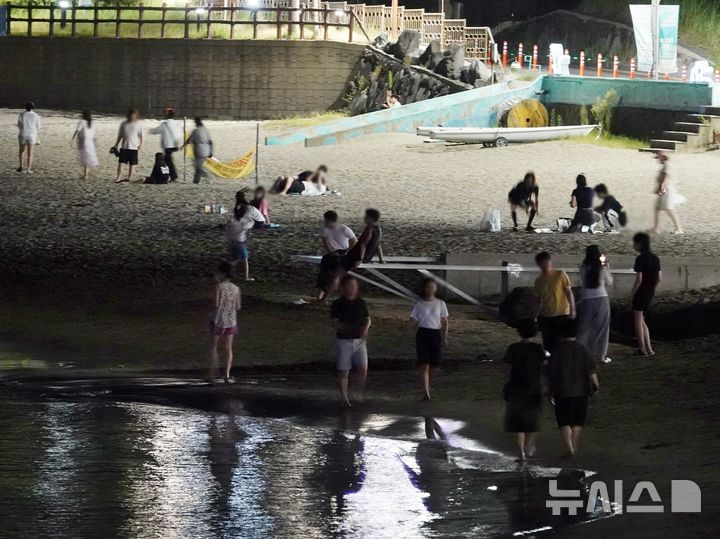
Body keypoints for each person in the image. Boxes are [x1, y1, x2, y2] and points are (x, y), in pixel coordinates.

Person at [547, 318, 599, 457]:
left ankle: (568, 448)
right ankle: (573, 446)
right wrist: (595, 384)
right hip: (581, 391)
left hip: (561, 391)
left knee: (564, 421)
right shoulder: (583, 349)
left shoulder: (557, 351)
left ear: (560, 334)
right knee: (577, 422)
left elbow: (551, 371)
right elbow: (591, 370)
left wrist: (550, 389)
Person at [502, 320, 546, 461]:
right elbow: (543, 366)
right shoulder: (538, 349)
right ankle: (529, 448)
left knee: (517, 422)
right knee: (532, 421)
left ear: (518, 331)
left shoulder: (513, 348)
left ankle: (521, 452)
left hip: (515, 387)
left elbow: (507, 368)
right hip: (533, 388)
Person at [330, 275, 371, 407]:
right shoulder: (338, 303)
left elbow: (367, 318)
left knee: (363, 369)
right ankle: (344, 397)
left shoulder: (361, 302)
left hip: (360, 340)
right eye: (350, 286)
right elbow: (335, 321)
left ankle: (354, 392)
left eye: (355, 286)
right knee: (344, 369)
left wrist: (365, 329)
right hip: (344, 340)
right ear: (344, 288)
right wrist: (345, 329)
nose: (353, 289)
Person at [410, 279, 449, 401]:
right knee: (424, 363)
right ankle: (426, 392)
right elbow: (413, 319)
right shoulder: (419, 304)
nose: (431, 289)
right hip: (423, 333)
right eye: (429, 287)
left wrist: (445, 335)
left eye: (433, 287)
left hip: (435, 333)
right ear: (425, 289)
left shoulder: (441, 303)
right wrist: (405, 332)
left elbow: (444, 320)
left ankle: (428, 385)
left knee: (433, 365)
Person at [577, 245, 613, 364]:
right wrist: (608, 268)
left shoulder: (583, 268)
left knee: (584, 327)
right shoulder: (601, 269)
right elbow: (609, 282)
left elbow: (582, 283)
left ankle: (580, 353)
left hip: (587, 299)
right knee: (602, 328)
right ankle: (600, 355)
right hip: (601, 298)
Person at [534, 251, 575, 356]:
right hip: (547, 315)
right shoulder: (538, 281)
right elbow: (539, 300)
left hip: (562, 312)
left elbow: (569, 293)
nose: (546, 264)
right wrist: (535, 315)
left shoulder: (560, 274)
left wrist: (572, 310)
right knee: (548, 342)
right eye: (543, 262)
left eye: (547, 261)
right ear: (539, 264)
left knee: (561, 340)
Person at [208, 261, 241, 384]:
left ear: (222, 273)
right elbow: (238, 306)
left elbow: (215, 304)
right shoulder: (236, 288)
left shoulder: (218, 287)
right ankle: (227, 375)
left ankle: (212, 373)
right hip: (231, 320)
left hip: (218, 319)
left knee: (214, 346)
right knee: (228, 348)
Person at [631, 233, 661, 356]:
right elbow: (659, 278)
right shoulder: (655, 258)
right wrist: (652, 289)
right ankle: (649, 349)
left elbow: (639, 279)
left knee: (637, 320)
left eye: (635, 243)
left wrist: (632, 294)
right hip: (650, 292)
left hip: (641, 292)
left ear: (640, 244)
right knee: (642, 320)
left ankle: (642, 349)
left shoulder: (640, 259)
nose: (633, 245)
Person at [317, 210, 357, 302]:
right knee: (323, 276)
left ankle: (324, 297)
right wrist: (333, 253)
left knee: (334, 276)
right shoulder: (324, 229)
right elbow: (326, 244)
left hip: (341, 254)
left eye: (326, 220)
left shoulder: (344, 229)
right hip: (330, 254)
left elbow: (354, 242)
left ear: (330, 221)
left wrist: (346, 251)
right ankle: (320, 297)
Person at [225, 190, 265, 282]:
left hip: (233, 240)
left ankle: (226, 271)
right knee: (244, 259)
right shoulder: (246, 218)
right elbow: (249, 223)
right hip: (240, 241)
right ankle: (246, 277)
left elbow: (228, 228)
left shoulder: (234, 219)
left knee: (235, 258)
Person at [652, 152, 686, 234]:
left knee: (670, 209)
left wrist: (661, 189)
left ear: (663, 157)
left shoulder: (667, 166)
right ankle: (656, 228)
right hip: (665, 190)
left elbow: (664, 179)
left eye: (659, 158)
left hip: (667, 190)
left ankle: (679, 228)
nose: (658, 160)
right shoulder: (665, 165)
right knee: (657, 208)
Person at [149, 108, 182, 182]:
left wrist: (150, 131)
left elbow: (157, 130)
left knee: (168, 160)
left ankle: (173, 176)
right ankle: (172, 176)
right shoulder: (176, 123)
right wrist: (177, 143)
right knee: (168, 159)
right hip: (174, 144)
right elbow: (179, 134)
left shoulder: (165, 124)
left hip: (168, 145)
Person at [112, 109, 143, 183]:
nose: (132, 117)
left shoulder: (138, 125)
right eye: (131, 116)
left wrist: (141, 144)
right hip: (124, 147)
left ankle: (129, 178)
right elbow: (120, 135)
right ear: (128, 116)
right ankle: (118, 178)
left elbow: (141, 136)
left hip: (134, 148)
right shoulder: (123, 123)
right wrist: (116, 145)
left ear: (136, 116)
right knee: (121, 163)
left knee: (132, 165)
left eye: (134, 116)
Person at [183, 117, 213, 184]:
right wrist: (211, 151)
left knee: (197, 166)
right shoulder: (206, 130)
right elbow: (210, 141)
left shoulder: (195, 131)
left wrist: (184, 145)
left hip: (199, 149)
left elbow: (189, 140)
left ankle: (202, 177)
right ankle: (197, 180)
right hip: (207, 149)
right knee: (198, 165)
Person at [71, 110, 98, 180]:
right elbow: (93, 133)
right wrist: (95, 142)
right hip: (90, 141)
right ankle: (86, 174)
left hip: (84, 140)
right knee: (87, 157)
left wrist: (73, 138)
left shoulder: (82, 121)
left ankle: (86, 175)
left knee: (85, 157)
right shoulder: (91, 123)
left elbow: (77, 130)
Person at [17, 102, 41, 174]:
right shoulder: (36, 115)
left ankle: (21, 166)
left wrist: (23, 128)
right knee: (30, 152)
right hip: (32, 134)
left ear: (26, 107)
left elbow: (19, 124)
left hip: (23, 133)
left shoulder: (22, 114)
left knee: (21, 151)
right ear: (33, 108)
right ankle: (28, 169)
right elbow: (38, 127)